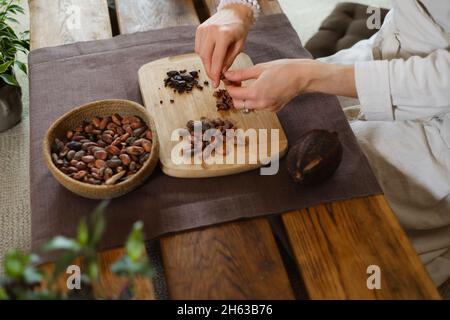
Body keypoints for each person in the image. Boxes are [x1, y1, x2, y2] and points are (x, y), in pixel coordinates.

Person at [195, 0, 450, 286]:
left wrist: (310, 76)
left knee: (295, 187)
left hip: (442, 131)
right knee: (273, 130)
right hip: (392, 53)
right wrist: (237, 8)